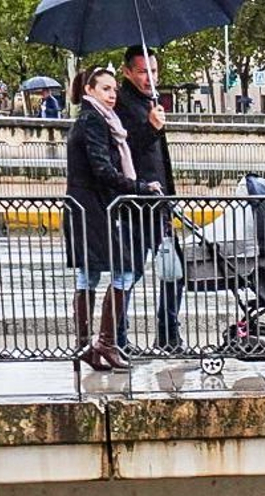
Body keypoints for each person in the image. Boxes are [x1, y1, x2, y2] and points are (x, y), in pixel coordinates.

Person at [64, 66, 162, 371]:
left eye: (113, 90)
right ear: (89, 91)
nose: (112, 95)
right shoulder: (93, 120)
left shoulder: (101, 120)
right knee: (125, 272)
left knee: (89, 276)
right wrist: (141, 187)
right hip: (92, 209)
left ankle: (87, 347)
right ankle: (104, 343)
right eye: (106, 89)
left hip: (88, 208)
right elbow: (103, 170)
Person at [117, 46, 183, 350]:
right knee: (129, 273)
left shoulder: (150, 102)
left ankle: (168, 333)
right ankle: (116, 337)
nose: (149, 78)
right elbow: (126, 151)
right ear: (127, 71)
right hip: (136, 202)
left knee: (174, 270)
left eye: (153, 71)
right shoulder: (122, 105)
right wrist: (151, 127)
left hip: (158, 204)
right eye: (143, 72)